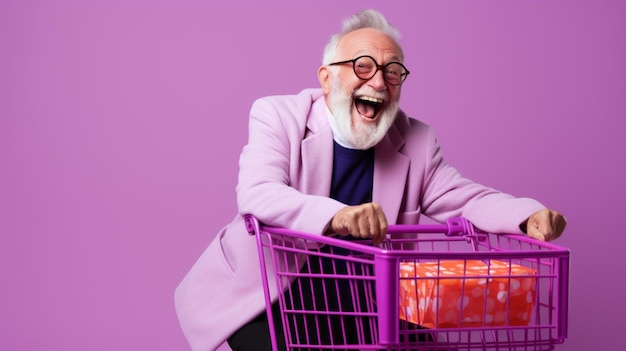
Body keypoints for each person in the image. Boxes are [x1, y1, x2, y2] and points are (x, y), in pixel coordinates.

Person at [174, 9, 567, 351]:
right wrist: (339, 217)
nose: (378, 83)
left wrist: (527, 215)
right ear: (327, 79)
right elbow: (258, 193)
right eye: (363, 66)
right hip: (265, 298)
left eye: (392, 72)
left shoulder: (414, 139)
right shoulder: (277, 115)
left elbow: (464, 198)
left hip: (361, 302)